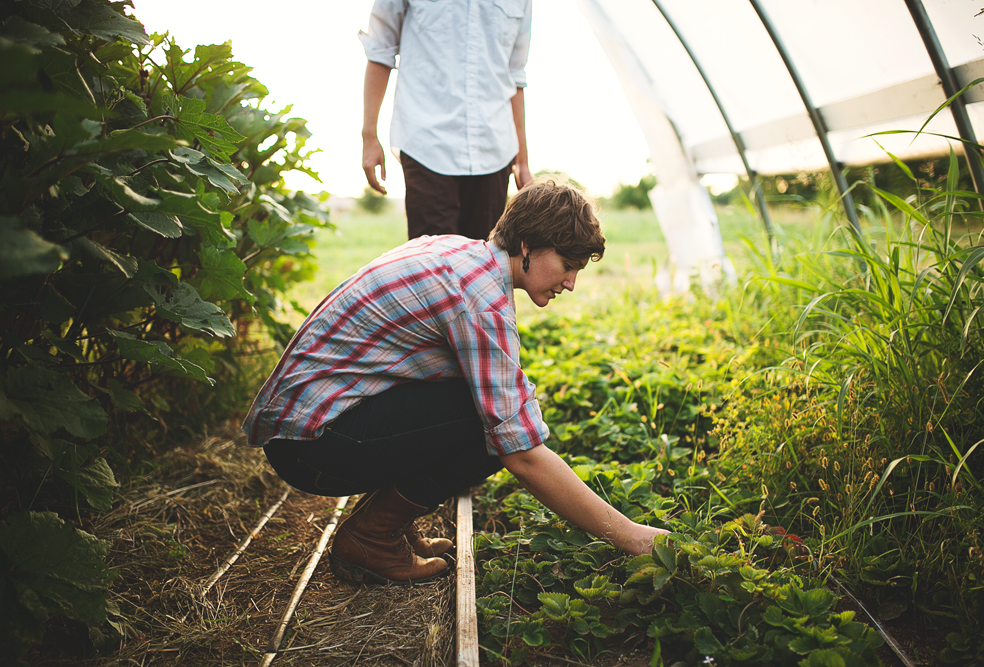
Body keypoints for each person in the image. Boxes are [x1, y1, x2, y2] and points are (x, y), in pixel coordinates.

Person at [243, 181, 670, 585]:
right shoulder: (479, 300)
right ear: (527, 247)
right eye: (567, 265)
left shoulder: (458, 252)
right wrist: (630, 535)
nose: (571, 283)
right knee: (492, 428)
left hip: (308, 431)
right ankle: (370, 538)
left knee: (486, 404)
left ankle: (385, 525)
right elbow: (522, 452)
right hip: (313, 447)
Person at [359, 0, 535, 240]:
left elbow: (515, 75)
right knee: (432, 267)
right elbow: (381, 50)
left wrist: (522, 160)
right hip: (426, 144)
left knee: (487, 264)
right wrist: (369, 135)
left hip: (494, 148)